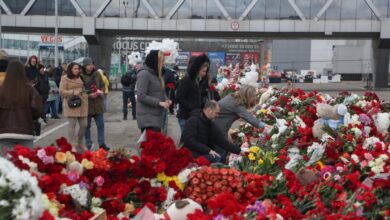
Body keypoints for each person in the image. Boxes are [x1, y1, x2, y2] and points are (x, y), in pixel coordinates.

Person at [0, 60, 43, 153]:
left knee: (7, 166)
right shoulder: (29, 89)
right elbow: (37, 109)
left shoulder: (2, 90)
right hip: (25, 132)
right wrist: (31, 116)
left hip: (4, 133)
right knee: (26, 163)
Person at [136, 50, 171, 133]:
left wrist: (166, 99)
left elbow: (160, 91)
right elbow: (141, 96)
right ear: (155, 62)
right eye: (162, 61)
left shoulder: (156, 74)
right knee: (152, 144)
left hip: (156, 116)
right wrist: (159, 103)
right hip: (148, 119)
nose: (163, 64)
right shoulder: (144, 74)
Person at [176, 54, 210, 132]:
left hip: (192, 115)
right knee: (186, 141)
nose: (205, 73)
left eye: (206, 71)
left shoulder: (197, 80)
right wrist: (192, 107)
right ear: (198, 69)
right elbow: (179, 97)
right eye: (203, 71)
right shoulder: (187, 80)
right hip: (185, 116)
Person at [59, 62, 89, 152]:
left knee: (84, 125)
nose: (77, 70)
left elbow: (84, 89)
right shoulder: (65, 78)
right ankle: (72, 144)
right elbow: (61, 91)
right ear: (70, 69)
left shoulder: (81, 77)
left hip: (82, 103)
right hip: (71, 104)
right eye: (75, 68)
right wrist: (72, 92)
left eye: (78, 69)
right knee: (72, 125)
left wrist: (90, 93)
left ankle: (80, 142)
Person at [81, 57, 108, 150]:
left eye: (92, 64)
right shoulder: (80, 76)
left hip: (98, 104)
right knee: (87, 126)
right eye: (88, 65)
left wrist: (101, 91)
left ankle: (102, 144)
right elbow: (79, 91)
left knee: (101, 125)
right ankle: (89, 144)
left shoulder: (97, 74)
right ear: (84, 66)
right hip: (87, 105)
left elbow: (102, 85)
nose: (91, 66)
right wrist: (88, 95)